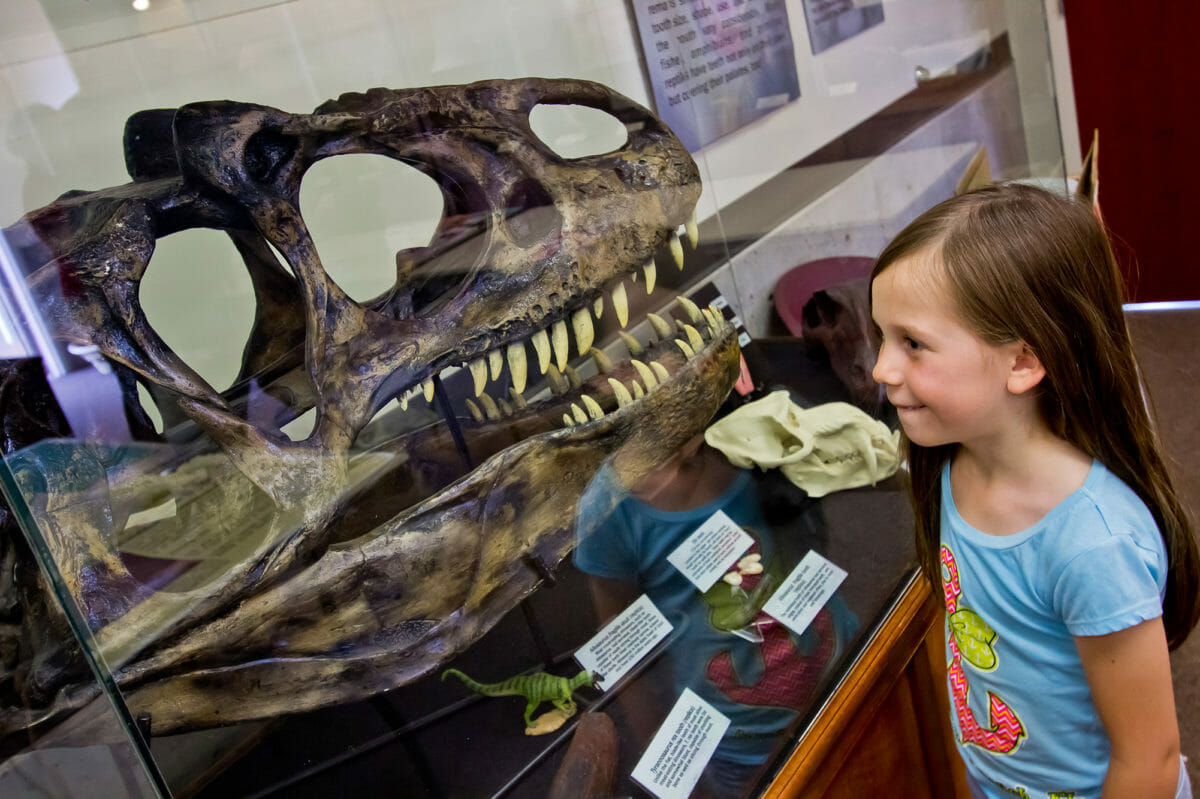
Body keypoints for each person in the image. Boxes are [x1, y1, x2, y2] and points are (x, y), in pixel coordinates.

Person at [869, 182, 1200, 798]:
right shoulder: (951, 469)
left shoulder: (1094, 547)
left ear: (1022, 361)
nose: (881, 369)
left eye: (912, 343)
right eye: (883, 338)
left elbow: (1149, 760)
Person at [574, 423, 857, 797]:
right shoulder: (608, 505)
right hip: (740, 742)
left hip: (845, 669)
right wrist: (666, 757)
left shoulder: (752, 427)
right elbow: (619, 636)